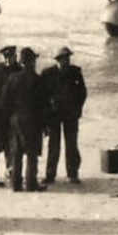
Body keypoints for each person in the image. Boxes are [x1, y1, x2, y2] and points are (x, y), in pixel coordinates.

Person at [41, 45, 88, 185]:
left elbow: (82, 92)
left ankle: (73, 173)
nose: (65, 61)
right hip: (54, 115)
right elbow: (42, 96)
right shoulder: (47, 73)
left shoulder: (75, 72)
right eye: (62, 59)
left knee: (71, 144)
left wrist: (77, 108)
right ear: (57, 60)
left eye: (67, 58)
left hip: (70, 114)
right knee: (53, 145)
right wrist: (46, 113)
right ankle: (50, 175)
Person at [2, 46, 47, 191]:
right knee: (32, 154)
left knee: (17, 153)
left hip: (16, 119)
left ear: (21, 62)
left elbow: (4, 101)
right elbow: (42, 104)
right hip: (32, 119)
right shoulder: (38, 80)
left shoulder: (13, 78)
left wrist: (11, 117)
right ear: (32, 61)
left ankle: (16, 184)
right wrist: (44, 124)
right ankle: (31, 183)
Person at [0, 45, 20, 186]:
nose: (8, 59)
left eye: (10, 56)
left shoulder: (20, 71)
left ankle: (10, 173)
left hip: (12, 114)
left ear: (15, 57)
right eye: (5, 56)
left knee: (11, 146)